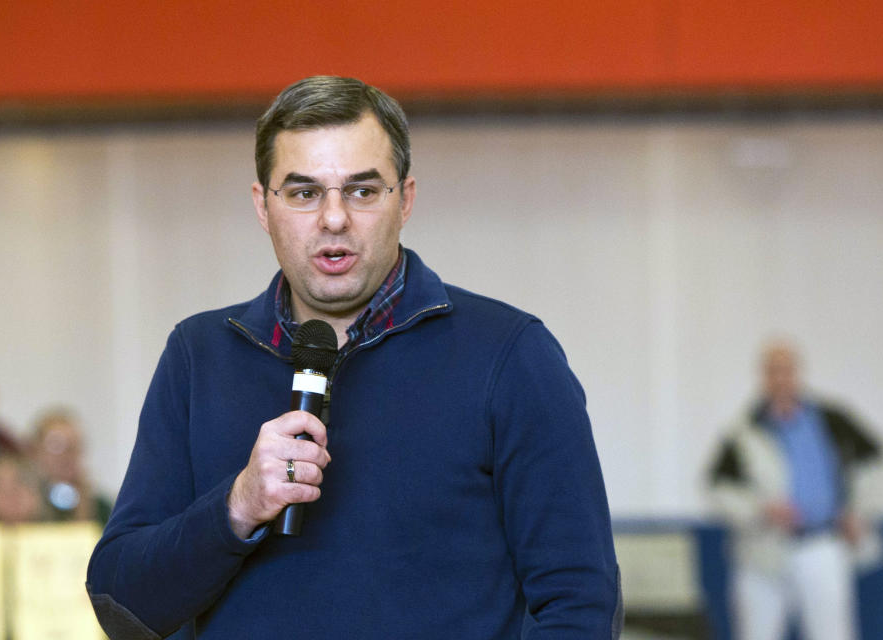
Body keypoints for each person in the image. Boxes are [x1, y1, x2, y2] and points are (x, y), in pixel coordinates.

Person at [87, 76, 621, 639]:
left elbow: (579, 606)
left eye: (363, 191)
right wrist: (239, 505)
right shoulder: (198, 357)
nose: (334, 218)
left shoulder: (509, 355)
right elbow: (124, 606)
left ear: (406, 199)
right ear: (263, 206)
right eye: (303, 193)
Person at [706, 339, 883, 640]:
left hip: (822, 543)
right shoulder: (743, 431)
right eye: (773, 371)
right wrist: (759, 509)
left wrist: (859, 511)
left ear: (798, 373)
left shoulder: (831, 420)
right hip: (763, 551)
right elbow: (717, 487)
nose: (781, 378)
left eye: (787, 370)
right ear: (762, 376)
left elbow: (877, 462)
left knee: (832, 632)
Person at [29, 408, 112, 525]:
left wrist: (85, 511)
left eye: (74, 446)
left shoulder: (100, 507)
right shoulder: (14, 503)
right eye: (57, 446)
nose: (67, 455)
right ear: (35, 451)